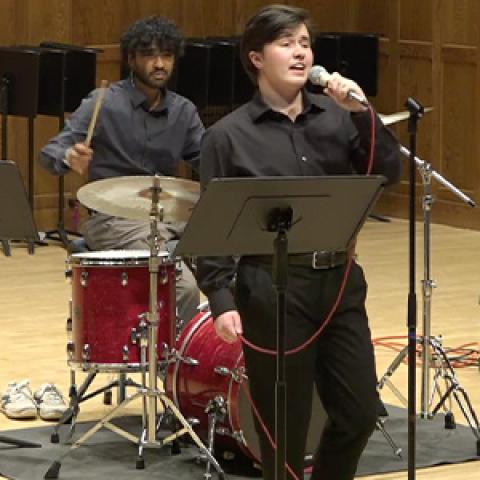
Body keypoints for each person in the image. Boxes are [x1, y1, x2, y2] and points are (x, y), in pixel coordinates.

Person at [196, 4, 401, 480]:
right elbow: (211, 228)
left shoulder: (338, 117)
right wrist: (221, 297)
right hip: (270, 289)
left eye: (305, 43)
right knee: (282, 428)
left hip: (340, 282)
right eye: (286, 43)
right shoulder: (227, 137)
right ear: (255, 57)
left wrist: (364, 113)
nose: (300, 53)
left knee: (359, 412)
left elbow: (387, 173)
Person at [40, 16, 203, 325]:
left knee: (241, 270)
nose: (159, 64)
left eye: (166, 56)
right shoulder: (104, 102)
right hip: (114, 220)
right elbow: (49, 153)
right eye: (150, 55)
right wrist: (68, 157)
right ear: (131, 59)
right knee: (183, 288)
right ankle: (176, 368)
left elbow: (209, 161)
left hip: (169, 215)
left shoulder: (184, 111)